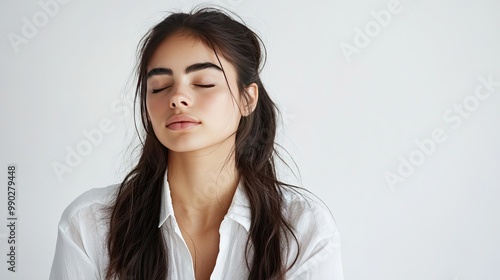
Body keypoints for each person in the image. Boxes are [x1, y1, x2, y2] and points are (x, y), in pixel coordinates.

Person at [49, 6, 343, 280]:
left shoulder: (302, 227)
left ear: (247, 99)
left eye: (203, 83)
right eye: (159, 86)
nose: (177, 97)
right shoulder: (90, 225)